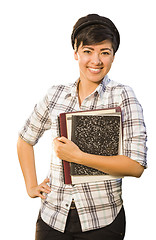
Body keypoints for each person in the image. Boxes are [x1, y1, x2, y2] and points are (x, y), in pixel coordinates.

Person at [17, 14, 147, 240]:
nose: (96, 60)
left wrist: (77, 156)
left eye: (104, 52)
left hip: (102, 220)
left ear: (113, 56)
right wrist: (31, 186)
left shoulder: (123, 96)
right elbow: (25, 139)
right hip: (52, 216)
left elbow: (135, 166)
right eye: (88, 51)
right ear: (76, 52)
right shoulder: (55, 94)